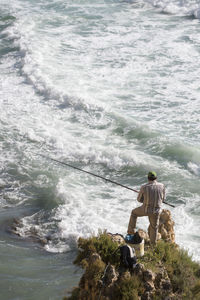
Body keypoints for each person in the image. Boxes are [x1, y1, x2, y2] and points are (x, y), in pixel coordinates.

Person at [127, 171, 165, 245]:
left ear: (148, 178)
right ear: (156, 178)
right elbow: (162, 199)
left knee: (134, 213)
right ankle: (153, 245)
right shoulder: (162, 186)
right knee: (154, 227)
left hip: (145, 210)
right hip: (156, 211)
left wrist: (145, 199)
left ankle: (130, 233)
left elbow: (139, 199)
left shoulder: (144, 187)